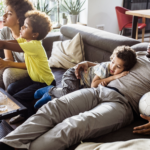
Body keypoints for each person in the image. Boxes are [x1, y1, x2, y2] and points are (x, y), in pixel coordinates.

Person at [0, 49, 150, 150]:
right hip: (98, 90)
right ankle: (8, 144)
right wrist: (88, 64)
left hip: (123, 104)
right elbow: (110, 64)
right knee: (54, 106)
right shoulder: (140, 53)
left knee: (77, 124)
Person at [34, 46, 137, 109]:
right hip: (74, 75)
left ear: (125, 68)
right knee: (69, 94)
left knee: (73, 100)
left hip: (81, 84)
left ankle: (51, 97)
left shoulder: (115, 71)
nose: (113, 67)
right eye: (113, 62)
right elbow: (94, 85)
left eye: (118, 66)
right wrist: (112, 78)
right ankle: (50, 90)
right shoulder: (106, 67)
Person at [0, 10, 55, 123]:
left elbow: (4, 44)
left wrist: (3, 43)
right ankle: (21, 113)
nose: (21, 28)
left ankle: (32, 120)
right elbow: (8, 42)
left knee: (19, 98)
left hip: (45, 82)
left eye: (25, 27)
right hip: (34, 79)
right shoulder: (25, 40)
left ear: (35, 34)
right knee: (11, 88)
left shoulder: (34, 45)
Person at [0, 0, 34, 89]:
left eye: (9, 14)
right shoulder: (5, 31)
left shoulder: (30, 34)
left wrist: (7, 64)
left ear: (19, 19)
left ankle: (11, 102)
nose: (4, 16)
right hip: (17, 66)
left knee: (9, 74)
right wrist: (2, 63)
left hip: (32, 69)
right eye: (4, 12)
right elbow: (9, 58)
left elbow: (30, 64)